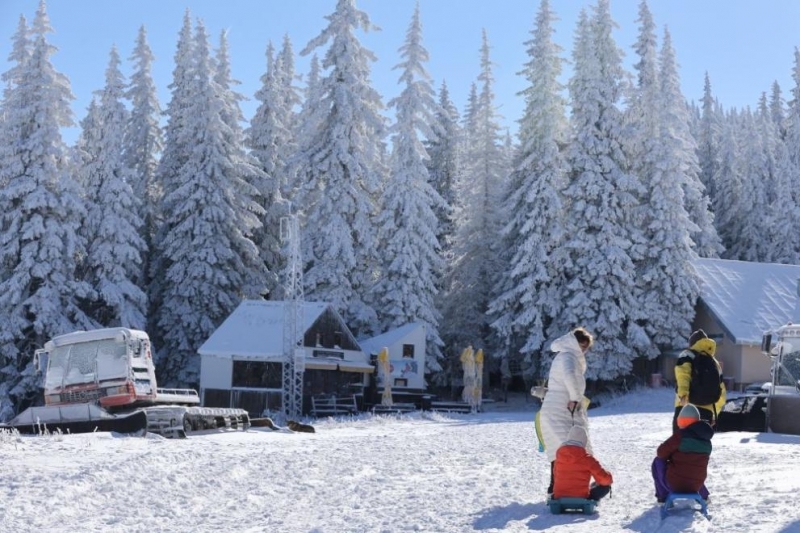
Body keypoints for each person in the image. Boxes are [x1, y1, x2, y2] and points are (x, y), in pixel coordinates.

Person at [539, 327, 594, 497]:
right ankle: (569, 488)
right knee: (571, 450)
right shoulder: (569, 356)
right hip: (562, 408)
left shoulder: (564, 355)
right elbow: (570, 377)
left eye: (586, 347)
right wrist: (575, 398)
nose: (584, 350)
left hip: (557, 407)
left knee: (560, 450)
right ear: (574, 343)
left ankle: (557, 487)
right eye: (582, 345)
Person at [652, 403, 713, 502]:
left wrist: (670, 455)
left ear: (681, 421)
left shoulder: (680, 436)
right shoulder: (706, 441)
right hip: (696, 485)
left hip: (675, 484)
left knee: (658, 461)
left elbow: (661, 452)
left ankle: (662, 497)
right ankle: (704, 496)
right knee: (694, 467)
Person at [673, 329, 727, 433]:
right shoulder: (714, 363)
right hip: (707, 412)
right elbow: (721, 391)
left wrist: (683, 395)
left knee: (679, 444)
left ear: (692, 344)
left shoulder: (687, 354)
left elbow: (683, 375)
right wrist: (715, 413)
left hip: (685, 409)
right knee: (700, 445)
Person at [552, 425, 613, 502]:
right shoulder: (587, 459)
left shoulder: (558, 459)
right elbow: (605, 480)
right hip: (582, 497)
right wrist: (609, 476)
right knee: (605, 487)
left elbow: (556, 476)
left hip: (559, 496)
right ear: (584, 441)